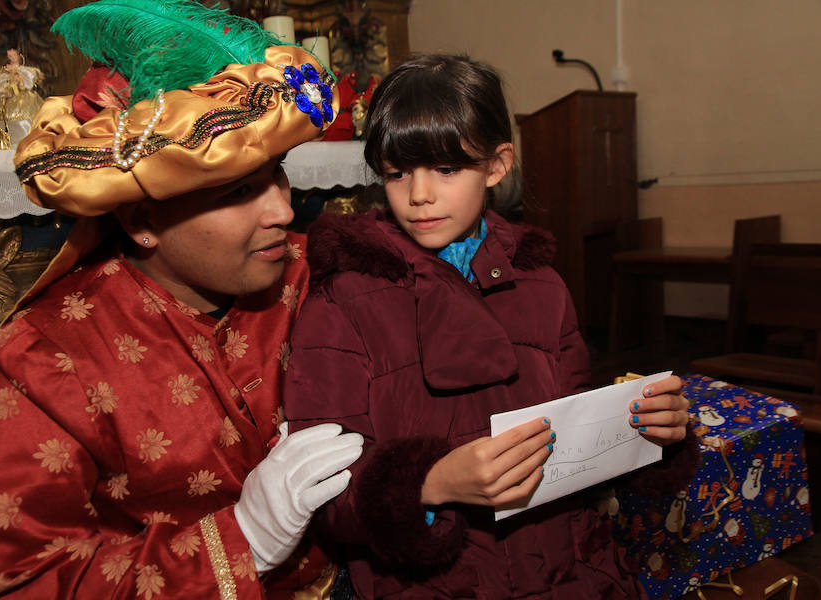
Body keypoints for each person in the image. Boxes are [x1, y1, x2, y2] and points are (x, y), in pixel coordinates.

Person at [0, 2, 363, 598]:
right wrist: (244, 539)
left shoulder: (318, 269)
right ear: (142, 219)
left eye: (278, 173)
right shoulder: (51, 357)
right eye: (240, 190)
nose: (284, 211)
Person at [283, 54, 698, 599]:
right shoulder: (343, 299)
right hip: (430, 584)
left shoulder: (542, 285)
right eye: (397, 171)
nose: (419, 194)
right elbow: (322, 491)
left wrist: (647, 433)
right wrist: (431, 484)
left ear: (496, 166)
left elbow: (577, 440)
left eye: (447, 169)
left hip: (567, 569)